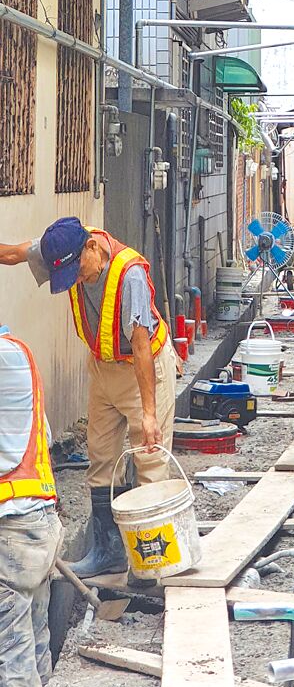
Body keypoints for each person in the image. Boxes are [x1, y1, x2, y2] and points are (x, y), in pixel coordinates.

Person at [0, 218, 176, 578]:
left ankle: (151, 565)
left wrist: (148, 413)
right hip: (103, 367)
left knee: (149, 458)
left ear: (92, 247)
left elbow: (141, 345)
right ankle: (109, 552)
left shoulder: (129, 274)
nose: (76, 279)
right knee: (101, 457)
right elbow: (14, 253)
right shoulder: (61, 248)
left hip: (144, 368)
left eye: (78, 271)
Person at [0, 322, 61, 687]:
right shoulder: (17, 352)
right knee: (35, 637)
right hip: (37, 526)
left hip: (11, 536)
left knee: (11, 654)